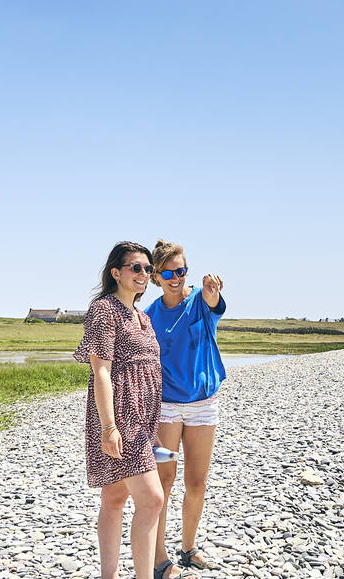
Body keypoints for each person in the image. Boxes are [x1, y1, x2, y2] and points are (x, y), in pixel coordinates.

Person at [75, 241, 194, 579]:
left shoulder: (141, 315)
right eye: (135, 268)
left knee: (115, 497)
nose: (143, 274)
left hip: (142, 422)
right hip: (120, 419)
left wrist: (151, 426)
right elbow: (101, 370)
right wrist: (108, 427)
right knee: (153, 499)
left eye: (146, 268)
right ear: (116, 272)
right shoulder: (104, 310)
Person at [144, 239, 228, 571]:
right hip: (165, 408)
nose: (176, 278)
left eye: (181, 271)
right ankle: (159, 557)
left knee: (196, 481)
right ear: (156, 277)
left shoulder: (199, 300)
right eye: (169, 273)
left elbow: (213, 301)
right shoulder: (149, 315)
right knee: (163, 483)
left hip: (203, 406)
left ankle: (189, 547)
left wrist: (212, 291)